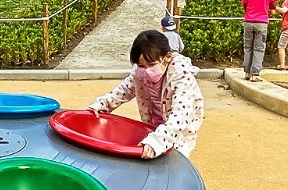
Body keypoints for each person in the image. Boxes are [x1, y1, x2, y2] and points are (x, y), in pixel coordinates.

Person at [87, 30, 204, 158]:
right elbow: (124, 90)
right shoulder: (139, 72)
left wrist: (157, 141)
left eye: (152, 65)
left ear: (168, 57)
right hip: (153, 121)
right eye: (142, 66)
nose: (147, 71)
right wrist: (102, 104)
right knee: (150, 155)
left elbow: (180, 114)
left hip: (179, 128)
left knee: (174, 158)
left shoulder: (181, 74)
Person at [241, 0, 278, 81]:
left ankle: (247, 72)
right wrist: (265, 15)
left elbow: (245, 7)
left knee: (248, 47)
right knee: (259, 48)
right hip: (261, 23)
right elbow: (273, 9)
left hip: (248, 22)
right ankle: (254, 74)